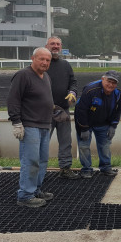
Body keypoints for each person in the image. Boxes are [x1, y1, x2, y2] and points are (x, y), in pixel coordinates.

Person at [8, 47, 55, 208]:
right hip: (29, 125)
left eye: (47, 60)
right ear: (33, 58)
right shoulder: (23, 75)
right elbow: (13, 100)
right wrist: (16, 122)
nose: (44, 62)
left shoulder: (46, 76)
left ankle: (36, 189)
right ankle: (25, 195)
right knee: (31, 160)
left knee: (42, 160)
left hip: (44, 124)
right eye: (41, 59)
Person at [74, 70, 121, 178]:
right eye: (108, 81)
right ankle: (86, 169)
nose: (111, 85)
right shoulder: (90, 90)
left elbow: (118, 111)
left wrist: (113, 126)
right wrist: (83, 128)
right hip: (85, 121)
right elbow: (81, 110)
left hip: (103, 123)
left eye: (114, 83)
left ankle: (106, 167)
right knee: (83, 146)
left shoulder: (117, 94)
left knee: (105, 145)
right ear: (103, 79)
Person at [44, 36, 78, 179]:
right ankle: (39, 169)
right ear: (47, 45)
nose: (55, 46)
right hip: (45, 111)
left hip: (63, 109)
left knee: (65, 141)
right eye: (53, 44)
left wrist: (72, 92)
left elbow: (73, 82)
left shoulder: (65, 65)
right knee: (43, 141)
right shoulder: (43, 63)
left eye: (58, 44)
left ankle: (65, 168)